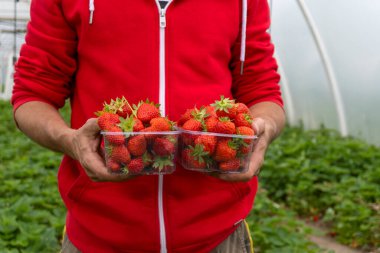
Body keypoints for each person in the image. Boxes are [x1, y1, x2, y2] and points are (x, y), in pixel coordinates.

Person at [11, 0, 286, 252]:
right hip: (97, 237)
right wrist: (70, 140)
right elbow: (33, 94)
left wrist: (265, 128)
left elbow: (261, 88)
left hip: (217, 237)